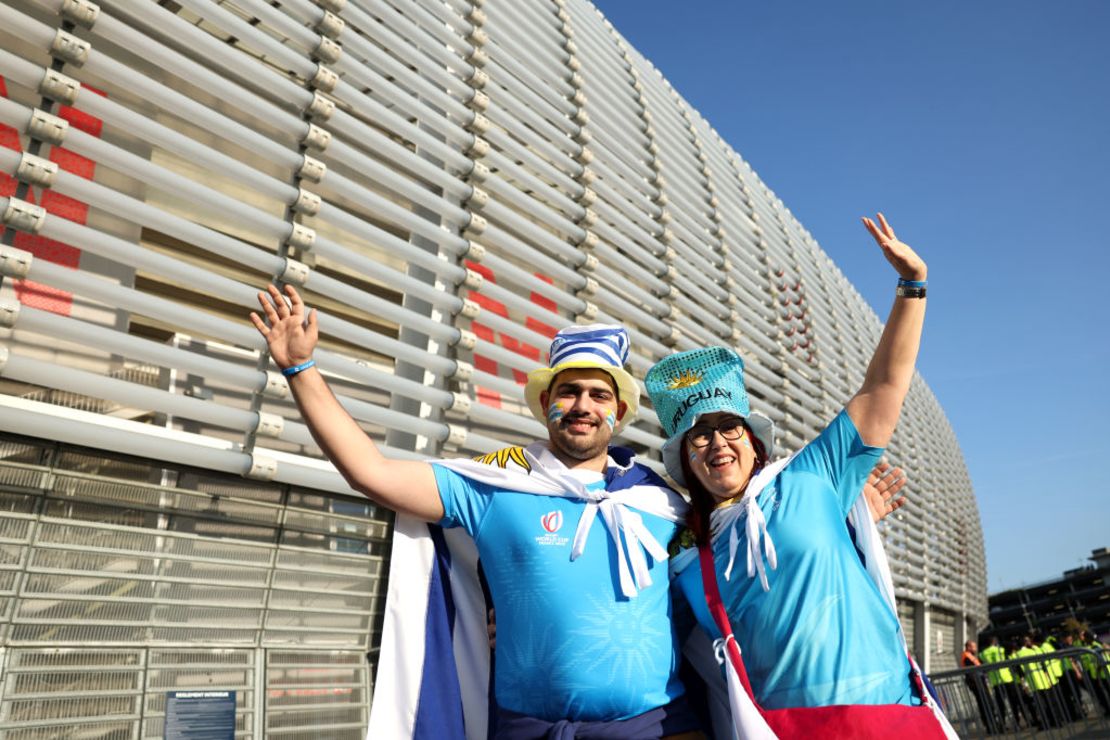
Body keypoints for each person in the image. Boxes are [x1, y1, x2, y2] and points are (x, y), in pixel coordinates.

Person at [251, 285, 908, 738]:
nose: (584, 406)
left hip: (662, 731)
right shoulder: (499, 478)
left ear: (618, 413)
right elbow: (376, 474)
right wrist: (302, 368)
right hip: (530, 731)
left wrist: (848, 525)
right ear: (546, 405)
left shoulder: (663, 498)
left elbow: (756, 574)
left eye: (599, 394)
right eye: (568, 393)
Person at [646, 214, 954, 737]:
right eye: (700, 435)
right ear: (685, 458)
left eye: (729, 428)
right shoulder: (679, 548)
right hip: (783, 729)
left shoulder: (810, 478)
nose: (718, 442)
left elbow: (883, 387)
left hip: (887, 718)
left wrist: (913, 286)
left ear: (754, 439)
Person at [961, 641, 1000, 732]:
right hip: (977, 684)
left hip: (980, 682)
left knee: (987, 703)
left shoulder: (972, 656)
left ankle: (993, 724)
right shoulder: (967, 657)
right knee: (985, 704)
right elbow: (971, 672)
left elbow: (980, 666)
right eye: (974, 647)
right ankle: (991, 726)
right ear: (969, 647)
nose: (976, 648)